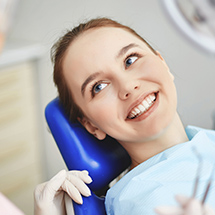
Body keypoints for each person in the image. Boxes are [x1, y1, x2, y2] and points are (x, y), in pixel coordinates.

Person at [34, 17, 215, 215]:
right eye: (99, 87)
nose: (128, 86)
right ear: (91, 126)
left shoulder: (203, 141)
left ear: (163, 63)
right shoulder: (144, 205)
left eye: (130, 59)